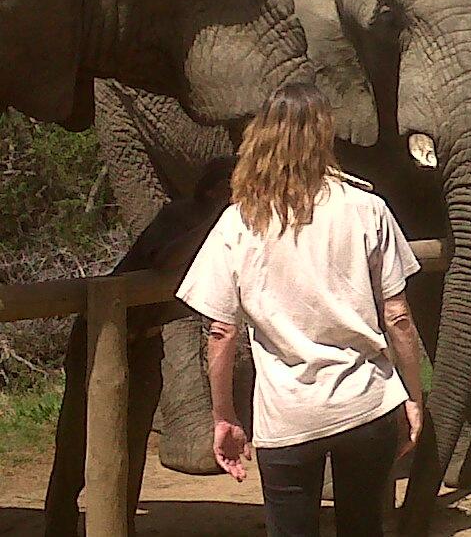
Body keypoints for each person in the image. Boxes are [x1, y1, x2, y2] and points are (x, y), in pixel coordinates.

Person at [176, 82, 424, 537]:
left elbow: (220, 332)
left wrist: (224, 416)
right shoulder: (367, 209)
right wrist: (413, 394)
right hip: (366, 404)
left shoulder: (238, 222)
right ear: (325, 137)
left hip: (285, 416)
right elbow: (398, 317)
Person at [45, 155, 238, 537]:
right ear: (218, 190)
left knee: (130, 447)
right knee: (75, 446)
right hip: (101, 335)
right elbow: (163, 260)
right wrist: (217, 220)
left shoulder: (234, 228)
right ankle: (58, 525)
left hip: (148, 343)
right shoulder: (181, 216)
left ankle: (121, 526)